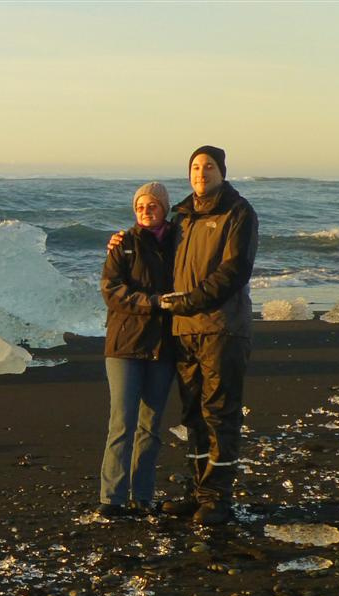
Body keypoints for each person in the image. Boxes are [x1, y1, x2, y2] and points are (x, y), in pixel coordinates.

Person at [149, 146, 258, 525]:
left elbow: (235, 270)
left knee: (219, 413)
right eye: (195, 166)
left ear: (221, 172)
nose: (201, 172)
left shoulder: (238, 212)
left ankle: (218, 498)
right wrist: (122, 241)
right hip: (184, 330)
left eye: (208, 166)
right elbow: (153, 251)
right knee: (193, 415)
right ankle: (198, 493)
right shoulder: (182, 216)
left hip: (222, 328)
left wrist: (192, 301)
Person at [96, 182, 176, 517]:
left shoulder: (181, 242)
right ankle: (111, 498)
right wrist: (154, 302)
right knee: (122, 422)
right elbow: (111, 289)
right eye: (140, 206)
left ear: (165, 208)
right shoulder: (123, 244)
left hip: (164, 344)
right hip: (124, 344)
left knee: (151, 425)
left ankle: (142, 496)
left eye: (153, 205)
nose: (146, 211)